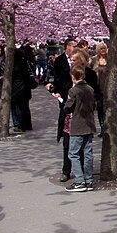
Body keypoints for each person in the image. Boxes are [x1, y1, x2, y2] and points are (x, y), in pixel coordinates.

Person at [46, 38, 77, 183]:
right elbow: (58, 79)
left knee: (80, 140)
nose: (76, 48)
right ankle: (66, 169)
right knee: (67, 138)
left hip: (79, 102)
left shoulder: (81, 61)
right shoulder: (60, 61)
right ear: (67, 47)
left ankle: (80, 169)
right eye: (73, 46)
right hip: (65, 101)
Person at [63, 65, 96, 192]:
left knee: (73, 153)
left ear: (73, 77)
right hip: (89, 123)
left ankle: (79, 181)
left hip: (78, 124)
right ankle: (88, 180)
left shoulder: (73, 91)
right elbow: (94, 105)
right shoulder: (90, 89)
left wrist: (64, 102)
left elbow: (68, 107)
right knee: (88, 153)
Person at [90, 42, 108, 136]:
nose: (103, 50)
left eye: (104, 48)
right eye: (101, 49)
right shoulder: (93, 60)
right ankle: (102, 128)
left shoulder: (110, 59)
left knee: (108, 109)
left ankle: (108, 127)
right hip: (97, 87)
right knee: (100, 109)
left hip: (107, 87)